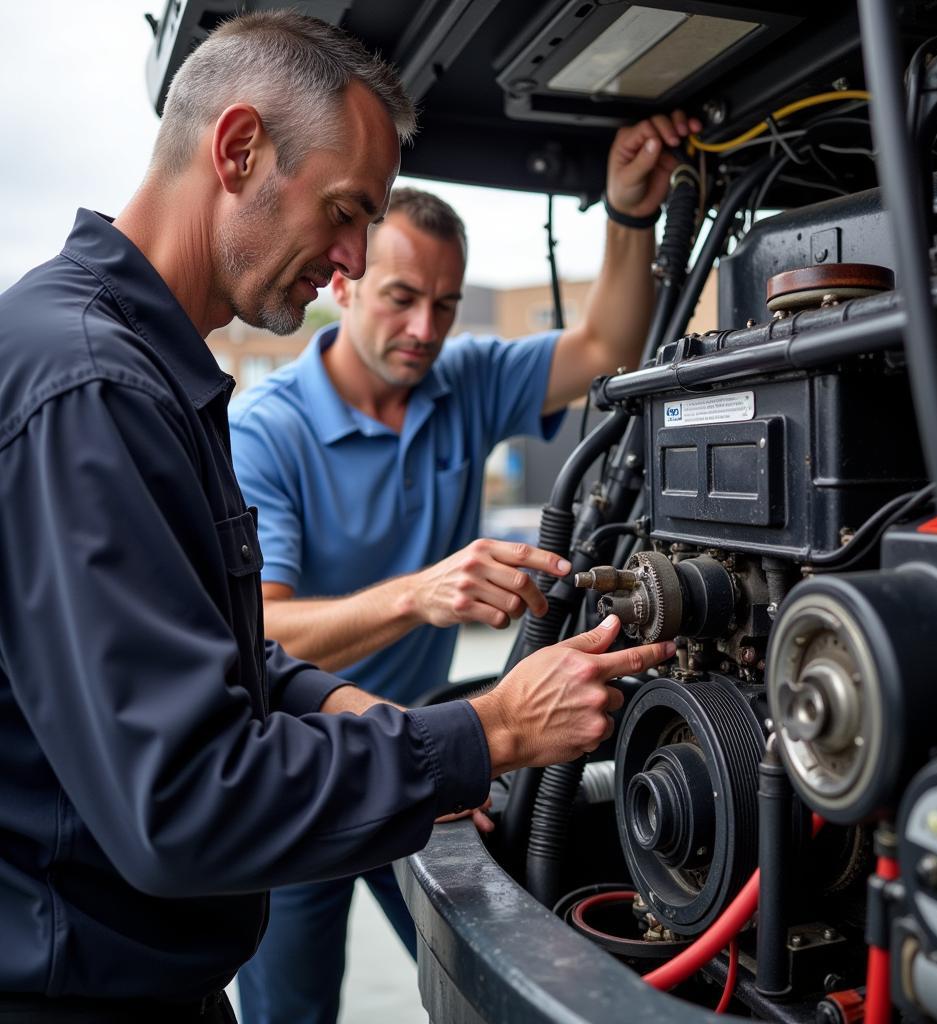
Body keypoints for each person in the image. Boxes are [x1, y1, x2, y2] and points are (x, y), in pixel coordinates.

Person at [0, 12, 676, 1023]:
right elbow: (183, 799)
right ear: (237, 150)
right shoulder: (93, 387)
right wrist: (487, 728)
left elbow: (215, 652)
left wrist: (356, 711)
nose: (352, 261)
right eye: (346, 210)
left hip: (167, 943)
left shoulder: (138, 370)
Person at [229, 108, 696, 1021]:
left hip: (424, 765)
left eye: (445, 304)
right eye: (403, 296)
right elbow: (260, 626)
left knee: (495, 990)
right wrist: (421, 594)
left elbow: (607, 350)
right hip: (310, 771)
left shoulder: (460, 378)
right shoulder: (269, 431)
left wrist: (629, 215)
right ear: (348, 279)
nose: (425, 327)